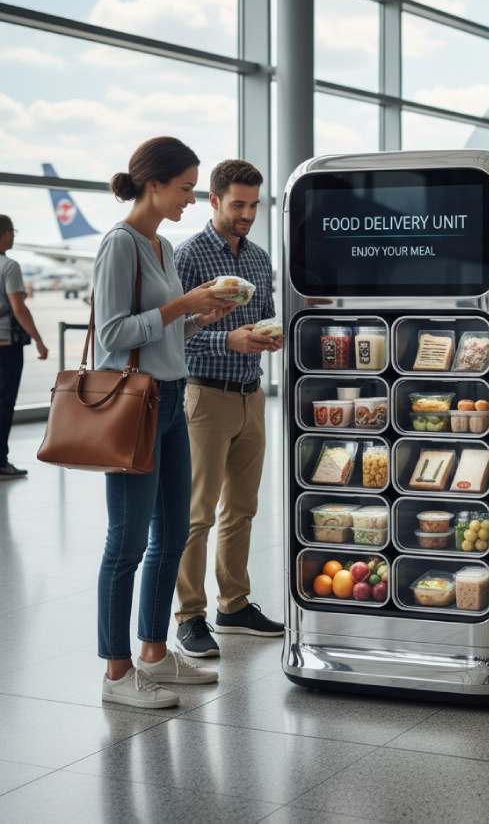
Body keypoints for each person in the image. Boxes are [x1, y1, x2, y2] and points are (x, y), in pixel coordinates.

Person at [95, 136, 237, 709]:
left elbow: (167, 336)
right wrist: (181, 306)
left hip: (172, 398)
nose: (191, 198)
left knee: (173, 533)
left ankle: (154, 652)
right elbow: (111, 337)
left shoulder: (163, 247)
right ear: (153, 185)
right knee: (126, 541)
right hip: (137, 405)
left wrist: (201, 316)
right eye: (185, 188)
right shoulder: (120, 245)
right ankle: (116, 671)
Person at [173, 160, 283, 657]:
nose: (247, 214)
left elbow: (263, 319)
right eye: (238, 204)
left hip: (250, 397)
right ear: (213, 201)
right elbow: (174, 338)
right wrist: (230, 341)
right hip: (204, 397)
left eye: (254, 205)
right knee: (197, 515)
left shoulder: (259, 259)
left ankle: (233, 605)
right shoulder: (188, 256)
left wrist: (269, 336)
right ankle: (189, 616)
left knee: (242, 508)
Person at [0, 214, 49, 479]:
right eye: (12, 231)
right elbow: (19, 308)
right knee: (4, 403)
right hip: (6, 345)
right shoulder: (9, 266)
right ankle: (0, 461)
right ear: (6, 233)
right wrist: (39, 341)